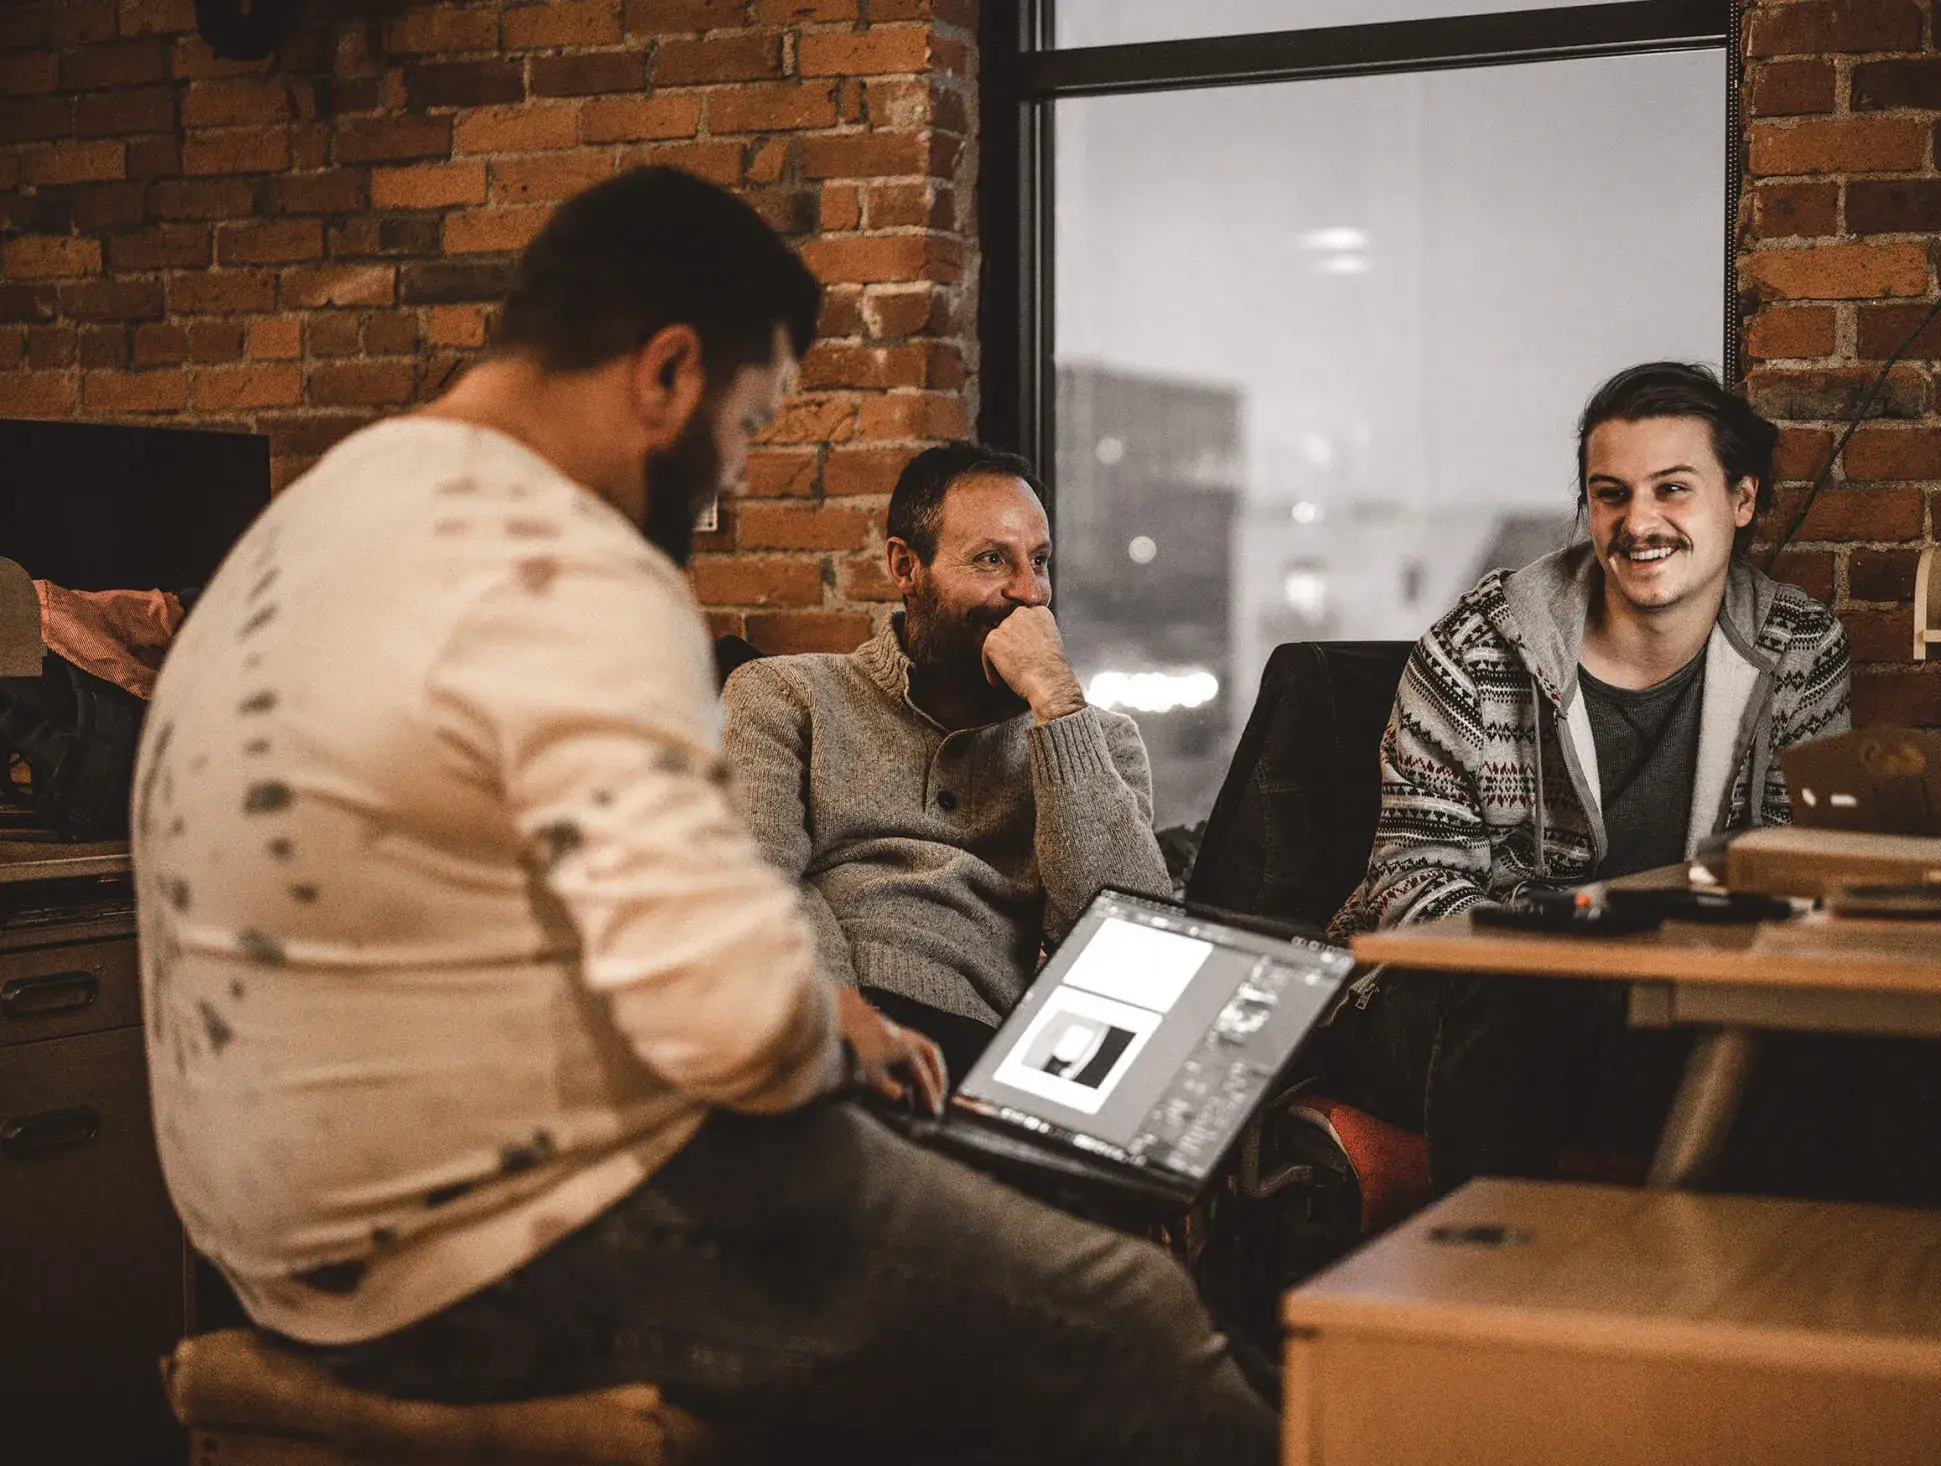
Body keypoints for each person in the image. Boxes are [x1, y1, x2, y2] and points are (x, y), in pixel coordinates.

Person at [133, 167, 1273, 1465]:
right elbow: (734, 1029)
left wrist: (811, 1010)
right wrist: (820, 1033)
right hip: (479, 1255)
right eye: (747, 420)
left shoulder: (320, 518)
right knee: (1133, 1312)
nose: (728, 480)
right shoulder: (574, 566)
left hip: (265, 1236)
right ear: (669, 372)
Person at [1327, 362, 1852, 1193]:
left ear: (1741, 501)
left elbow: (1797, 870)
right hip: (1449, 1000)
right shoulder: (1475, 650)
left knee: (1835, 1048)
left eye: (1672, 490)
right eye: (1610, 495)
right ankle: (1490, 1294)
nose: (1637, 522)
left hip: (1678, 998)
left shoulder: (1796, 648)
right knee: (1517, 1008)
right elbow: (1411, 886)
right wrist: (1580, 965)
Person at [720, 442, 1173, 1078]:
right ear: (906, 567)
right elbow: (755, 881)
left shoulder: (1095, 739)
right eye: (993, 560)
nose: (1029, 594)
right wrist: (842, 1015)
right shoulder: (784, 694)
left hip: (979, 1050)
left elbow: (1131, 952)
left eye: (1039, 562)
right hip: (815, 1016)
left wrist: (1056, 705)